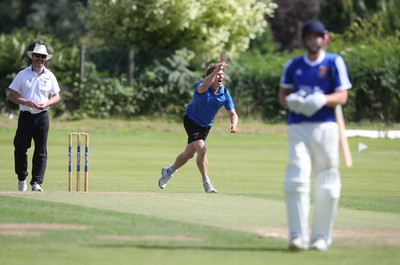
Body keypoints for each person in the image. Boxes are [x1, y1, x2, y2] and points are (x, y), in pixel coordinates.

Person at [278, 20, 352, 251]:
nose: (314, 40)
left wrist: (322, 99)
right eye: (310, 37)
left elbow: (342, 96)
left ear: (325, 38)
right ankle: (297, 236)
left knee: (327, 182)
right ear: (303, 40)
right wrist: (292, 102)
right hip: (298, 127)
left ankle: (321, 237)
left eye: (318, 36)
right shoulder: (293, 65)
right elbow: (282, 95)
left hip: (326, 127)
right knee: (296, 177)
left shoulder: (333, 62)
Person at [158, 59, 238, 193]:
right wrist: (216, 69)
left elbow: (233, 113)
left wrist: (234, 124)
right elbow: (204, 85)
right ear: (210, 76)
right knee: (202, 151)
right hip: (191, 120)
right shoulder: (201, 86)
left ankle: (168, 171)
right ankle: (207, 182)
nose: (220, 76)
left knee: (189, 154)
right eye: (218, 74)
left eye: (222, 74)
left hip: (205, 126)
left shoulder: (224, 93)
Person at [8, 43, 61, 192]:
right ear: (32, 57)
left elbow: (56, 96)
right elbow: (11, 95)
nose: (40, 59)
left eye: (43, 57)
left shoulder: (49, 75)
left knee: (41, 150)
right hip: (25, 116)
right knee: (20, 148)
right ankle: (21, 178)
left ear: (45, 59)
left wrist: (47, 103)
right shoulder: (22, 74)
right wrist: (27, 102)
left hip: (42, 117)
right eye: (37, 56)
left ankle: (36, 183)